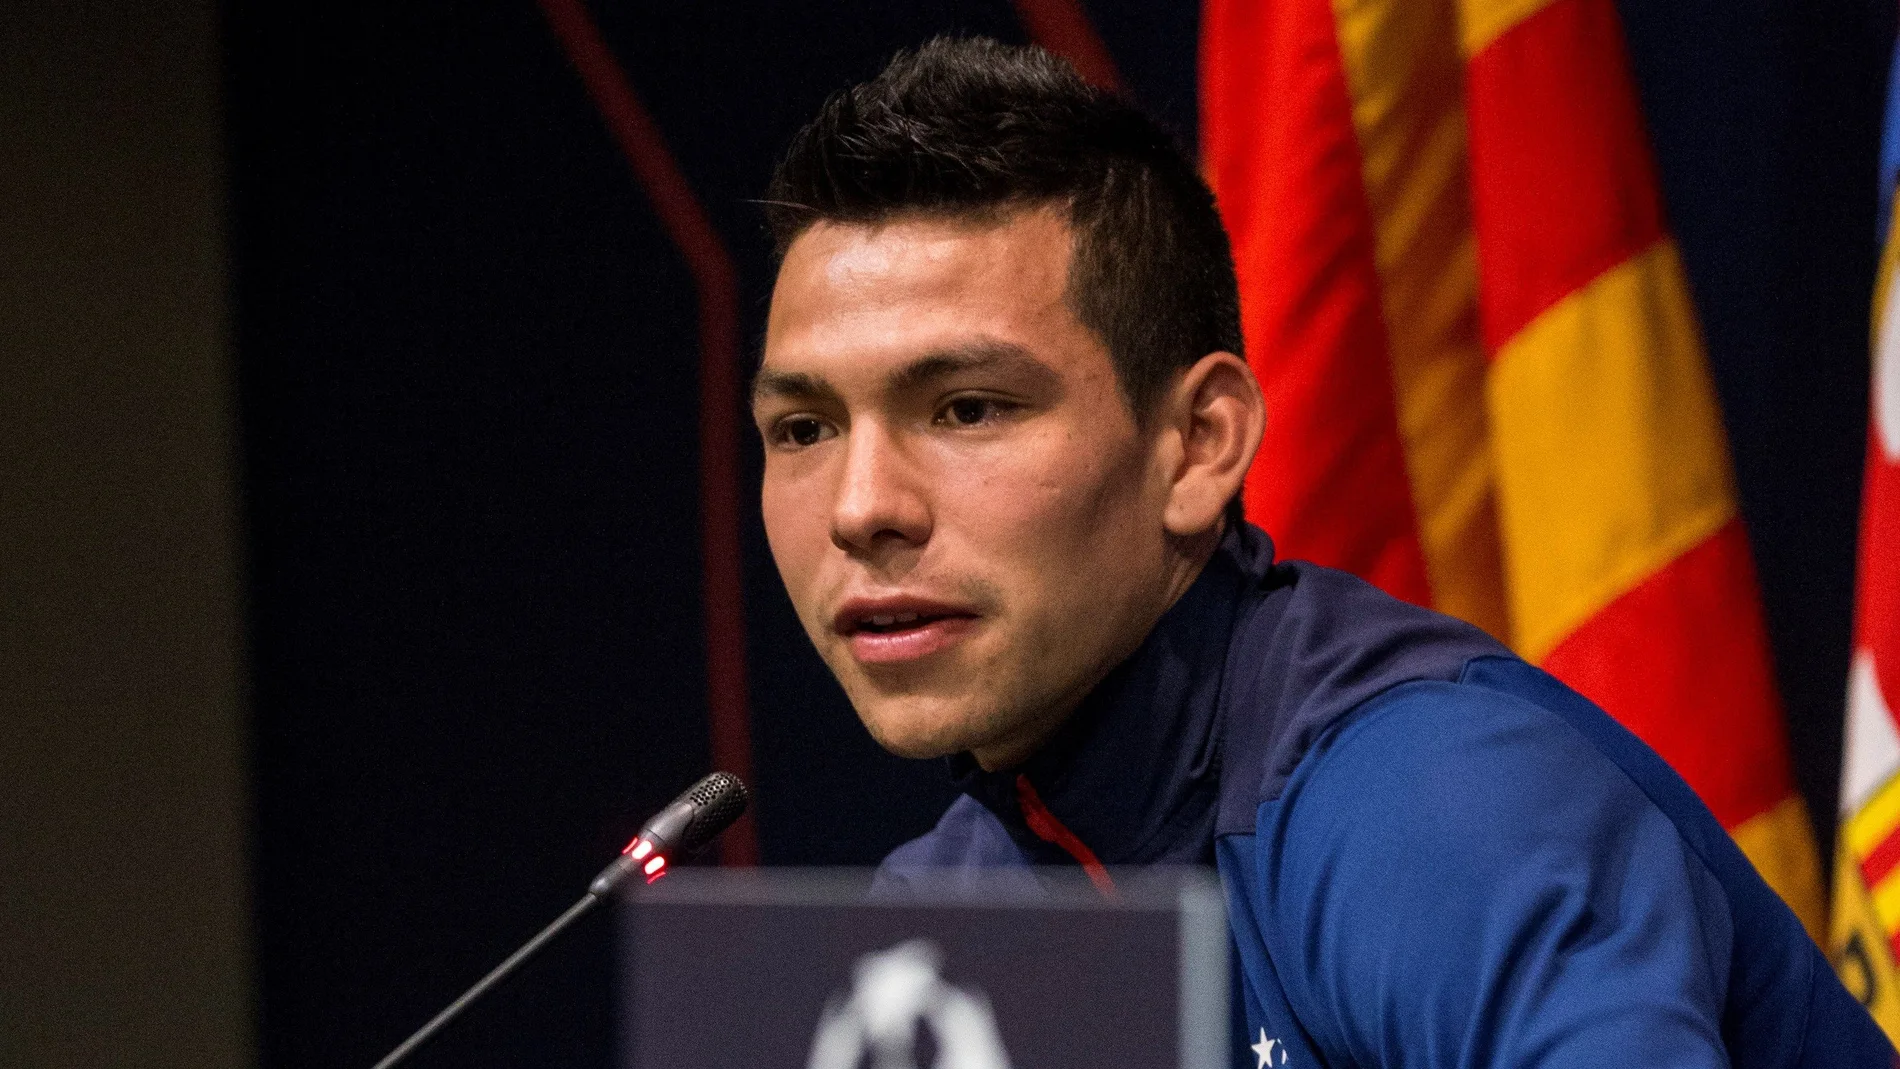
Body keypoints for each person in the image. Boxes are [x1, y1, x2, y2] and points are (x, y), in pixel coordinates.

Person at [750, 35, 1890, 1067]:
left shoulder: (1431, 801)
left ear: (1200, 446)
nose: (860, 507)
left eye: (967, 409)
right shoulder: (948, 910)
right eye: (803, 429)